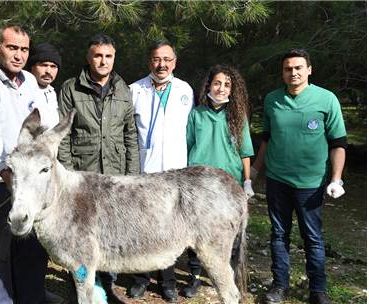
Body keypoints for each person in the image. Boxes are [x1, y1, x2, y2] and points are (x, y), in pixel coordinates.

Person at [0, 25, 63, 304]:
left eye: (23, 50)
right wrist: (9, 177)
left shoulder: (30, 82)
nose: (19, 55)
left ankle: (31, 297)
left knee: (32, 246)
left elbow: (40, 125)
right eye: (12, 48)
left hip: (29, 180)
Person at [251, 48, 347, 304]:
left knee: (313, 237)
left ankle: (318, 290)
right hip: (278, 181)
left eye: (298, 68)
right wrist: (254, 172)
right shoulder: (272, 100)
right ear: (283, 72)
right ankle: (279, 286)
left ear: (309, 70)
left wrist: (336, 178)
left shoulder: (327, 100)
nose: (293, 72)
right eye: (288, 68)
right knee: (279, 235)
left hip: (311, 184)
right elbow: (267, 140)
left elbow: (338, 143)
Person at [57, 33, 140, 302]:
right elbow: (64, 135)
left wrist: (133, 177)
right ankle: (80, 284)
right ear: (88, 57)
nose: (103, 61)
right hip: (82, 175)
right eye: (98, 55)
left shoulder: (123, 89)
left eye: (108, 56)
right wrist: (68, 176)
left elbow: (130, 135)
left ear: (114, 58)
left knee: (112, 231)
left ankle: (108, 284)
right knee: (80, 233)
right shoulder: (71, 88)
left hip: (115, 176)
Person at [126, 40, 194, 302]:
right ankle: (141, 278)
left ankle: (167, 281)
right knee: (142, 228)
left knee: (170, 229)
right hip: (145, 171)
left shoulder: (185, 91)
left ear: (174, 62)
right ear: (149, 62)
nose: (162, 64)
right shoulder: (135, 90)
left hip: (176, 172)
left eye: (167, 59)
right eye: (156, 59)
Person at [185, 64, 255, 296]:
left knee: (229, 234)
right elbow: (188, 145)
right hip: (200, 184)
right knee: (196, 232)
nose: (221, 88)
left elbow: (245, 152)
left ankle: (228, 276)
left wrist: (247, 182)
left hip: (229, 186)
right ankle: (194, 276)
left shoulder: (237, 116)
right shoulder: (197, 114)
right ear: (208, 85)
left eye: (227, 85)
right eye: (217, 83)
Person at [25, 42, 62, 130]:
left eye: (53, 66)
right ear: (32, 67)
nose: (48, 71)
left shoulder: (52, 93)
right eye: (43, 65)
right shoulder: (22, 91)